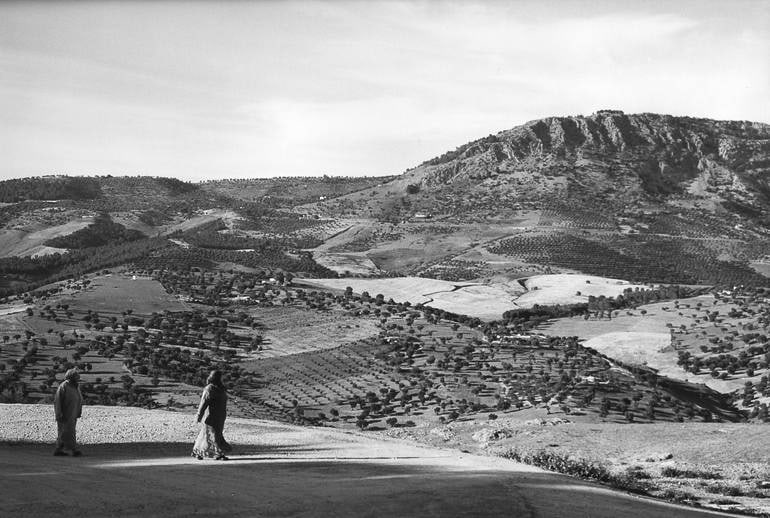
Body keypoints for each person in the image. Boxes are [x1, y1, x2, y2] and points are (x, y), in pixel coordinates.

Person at [192, 370, 232, 461]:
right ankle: (217, 453)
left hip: (220, 417)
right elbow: (203, 402)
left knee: (213, 434)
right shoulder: (209, 388)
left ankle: (200, 452)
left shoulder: (221, 389)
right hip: (211, 416)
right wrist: (199, 415)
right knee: (212, 435)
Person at [53, 368, 83, 457]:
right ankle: (66, 449)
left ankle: (67, 449)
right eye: (76, 376)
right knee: (64, 432)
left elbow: (78, 400)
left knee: (70, 432)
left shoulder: (76, 386)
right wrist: (59, 414)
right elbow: (57, 401)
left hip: (73, 414)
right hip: (64, 414)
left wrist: (78, 412)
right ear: (71, 376)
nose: (78, 377)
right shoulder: (63, 386)